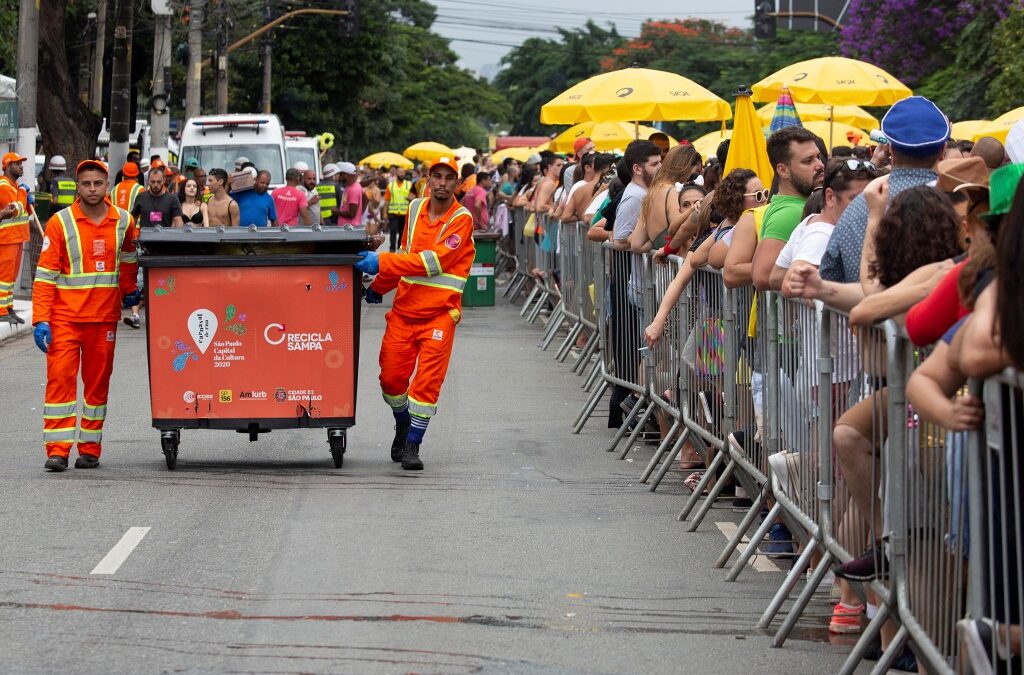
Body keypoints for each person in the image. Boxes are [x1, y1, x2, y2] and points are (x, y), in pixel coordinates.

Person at [354, 156, 475, 471]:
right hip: (405, 311)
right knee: (391, 379)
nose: (443, 184)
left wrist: (381, 263)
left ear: (457, 183)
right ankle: (402, 422)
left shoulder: (461, 219)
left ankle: (412, 445)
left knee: (426, 383)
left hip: (440, 315)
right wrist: (379, 286)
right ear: (428, 179)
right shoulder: (414, 209)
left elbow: (432, 263)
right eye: (438, 176)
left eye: (450, 178)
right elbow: (407, 256)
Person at [31, 159, 141, 472]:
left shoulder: (124, 221)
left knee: (97, 386)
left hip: (104, 319)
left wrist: (130, 288)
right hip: (64, 320)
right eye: (86, 184)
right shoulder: (60, 222)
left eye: (97, 183)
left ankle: (90, 449)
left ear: (108, 185)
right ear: (78, 187)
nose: (92, 189)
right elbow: (45, 276)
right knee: (60, 384)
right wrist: (41, 319)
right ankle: (58, 450)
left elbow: (130, 257)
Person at [819, 96, 949, 286]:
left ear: (891, 151)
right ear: (943, 151)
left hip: (858, 312)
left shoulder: (857, 206)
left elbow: (829, 274)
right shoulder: (956, 200)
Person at [751, 126, 825, 290]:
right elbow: (762, 276)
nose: (819, 165)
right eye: (808, 161)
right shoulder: (792, 212)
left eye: (818, 158)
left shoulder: (788, 204)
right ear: (783, 171)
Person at [0, 152, 30, 324]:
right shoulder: (4, 186)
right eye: (17, 163)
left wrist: (22, 193)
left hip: (17, 237)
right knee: (4, 276)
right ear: (8, 166)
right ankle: (1, 309)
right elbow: (16, 209)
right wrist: (23, 193)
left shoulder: (14, 186)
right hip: (7, 238)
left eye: (21, 163)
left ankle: (8, 306)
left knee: (11, 277)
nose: (21, 166)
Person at [385, 168, 414, 252]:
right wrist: (384, 214)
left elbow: (413, 197)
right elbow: (387, 200)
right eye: (400, 172)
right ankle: (392, 249)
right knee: (393, 230)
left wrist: (411, 198)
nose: (402, 174)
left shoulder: (409, 184)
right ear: (396, 173)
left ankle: (399, 248)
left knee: (402, 233)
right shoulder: (390, 185)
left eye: (403, 173)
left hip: (405, 213)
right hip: (393, 213)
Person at [336, 162, 363, 227]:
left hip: (349, 229)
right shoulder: (350, 187)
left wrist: (337, 212)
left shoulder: (353, 189)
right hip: (347, 228)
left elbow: (351, 214)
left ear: (346, 175)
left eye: (341, 175)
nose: (340, 177)